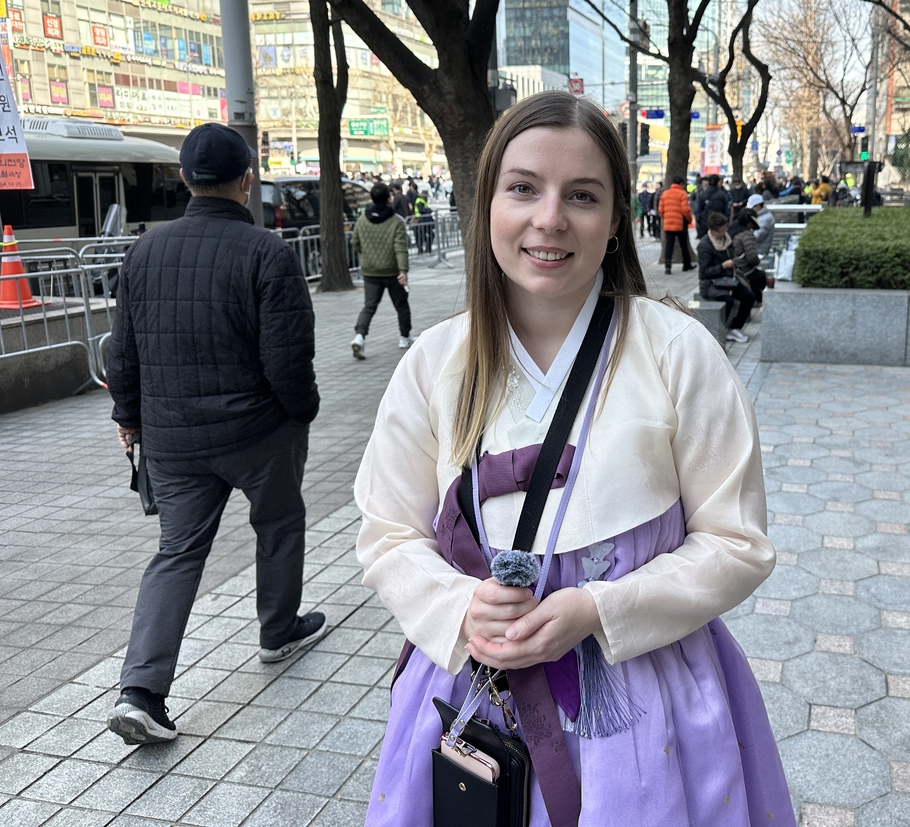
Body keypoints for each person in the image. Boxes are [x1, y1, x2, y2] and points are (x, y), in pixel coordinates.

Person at [354, 90, 794, 827]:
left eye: (582, 196)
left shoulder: (677, 353)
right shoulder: (434, 364)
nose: (549, 219)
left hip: (643, 703)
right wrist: (462, 606)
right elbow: (388, 534)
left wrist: (599, 607)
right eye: (523, 188)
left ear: (617, 218)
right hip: (476, 694)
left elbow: (736, 542)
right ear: (486, 201)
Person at [105, 123, 326, 746]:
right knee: (279, 523)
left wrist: (129, 419)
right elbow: (288, 360)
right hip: (256, 432)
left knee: (177, 553)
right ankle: (278, 631)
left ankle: (141, 692)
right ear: (246, 180)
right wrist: (300, 414)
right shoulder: (267, 252)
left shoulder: (143, 251)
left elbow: (123, 351)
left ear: (183, 179)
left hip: (173, 441)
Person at [351, 184, 414, 358]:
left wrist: (367, 254)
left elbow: (355, 242)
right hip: (392, 271)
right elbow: (400, 248)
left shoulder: (363, 220)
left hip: (370, 271)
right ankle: (404, 336)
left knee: (369, 306)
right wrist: (403, 270)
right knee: (401, 304)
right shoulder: (395, 222)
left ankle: (359, 336)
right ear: (389, 199)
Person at [697, 211, 757, 344]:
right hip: (711, 283)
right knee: (728, 300)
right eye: (721, 231)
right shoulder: (705, 245)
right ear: (712, 231)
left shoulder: (727, 240)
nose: (724, 233)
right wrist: (722, 266)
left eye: (725, 229)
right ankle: (722, 330)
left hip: (728, 279)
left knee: (749, 296)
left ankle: (735, 327)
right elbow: (704, 272)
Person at [728, 209, 767, 305]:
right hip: (743, 269)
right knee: (761, 277)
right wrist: (757, 261)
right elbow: (752, 258)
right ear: (749, 223)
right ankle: (760, 301)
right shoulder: (746, 234)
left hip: (732, 267)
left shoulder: (731, 229)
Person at [657, 177, 695, 274]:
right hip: (680, 225)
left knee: (669, 246)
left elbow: (660, 210)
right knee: (683, 245)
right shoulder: (682, 194)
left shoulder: (665, 194)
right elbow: (685, 210)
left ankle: (668, 267)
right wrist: (689, 219)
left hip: (668, 225)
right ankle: (686, 265)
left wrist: (666, 217)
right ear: (681, 184)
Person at [748, 193, 775, 258]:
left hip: (760, 251)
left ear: (758, 206)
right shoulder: (761, 216)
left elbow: (757, 235)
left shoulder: (765, 219)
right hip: (757, 249)